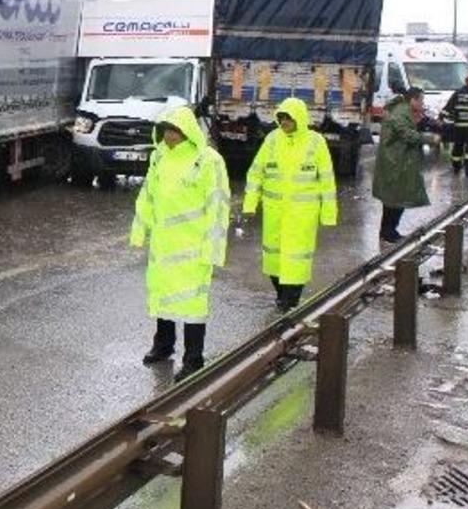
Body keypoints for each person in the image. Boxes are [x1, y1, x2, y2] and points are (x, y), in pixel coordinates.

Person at [130, 105, 230, 382]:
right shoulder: (159, 158)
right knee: (163, 298)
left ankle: (193, 359)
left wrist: (213, 247)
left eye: (175, 130)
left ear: (188, 130)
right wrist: (140, 231)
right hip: (163, 247)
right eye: (166, 130)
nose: (170, 136)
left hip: (194, 248)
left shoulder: (208, 160)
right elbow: (147, 196)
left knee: (193, 305)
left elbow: (218, 206)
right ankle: (163, 346)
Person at [241, 98, 337, 311]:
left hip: (302, 216)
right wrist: (250, 203)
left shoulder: (316, 142)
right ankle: (282, 296)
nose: (284, 122)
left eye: (289, 118)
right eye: (281, 118)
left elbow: (327, 180)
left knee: (297, 260)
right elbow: (256, 172)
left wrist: (328, 214)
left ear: (299, 119)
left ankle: (290, 301)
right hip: (275, 212)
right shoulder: (272, 140)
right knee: (273, 260)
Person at [373, 86, 434, 242]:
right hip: (396, 161)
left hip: (397, 160)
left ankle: (388, 231)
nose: (422, 103)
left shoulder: (402, 110)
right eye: (421, 100)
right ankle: (389, 232)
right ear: (412, 100)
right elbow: (407, 134)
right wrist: (429, 138)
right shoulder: (400, 113)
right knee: (396, 198)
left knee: (394, 198)